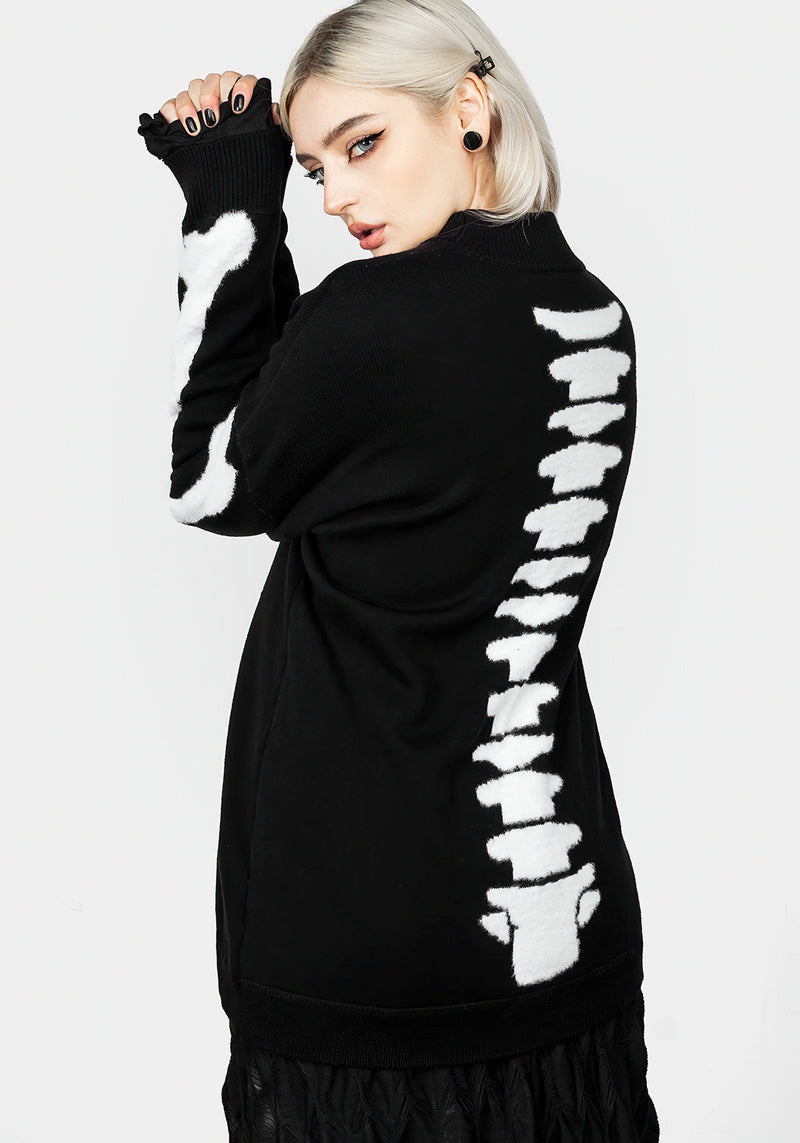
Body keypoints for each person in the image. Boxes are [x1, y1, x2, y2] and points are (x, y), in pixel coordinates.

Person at [136, 1, 660, 1139]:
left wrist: (230, 194)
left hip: (365, 939)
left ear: (468, 105)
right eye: (312, 168)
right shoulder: (598, 319)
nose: (336, 198)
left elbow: (216, 480)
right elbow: (317, 431)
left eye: (361, 144)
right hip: (562, 934)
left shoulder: (371, 320)